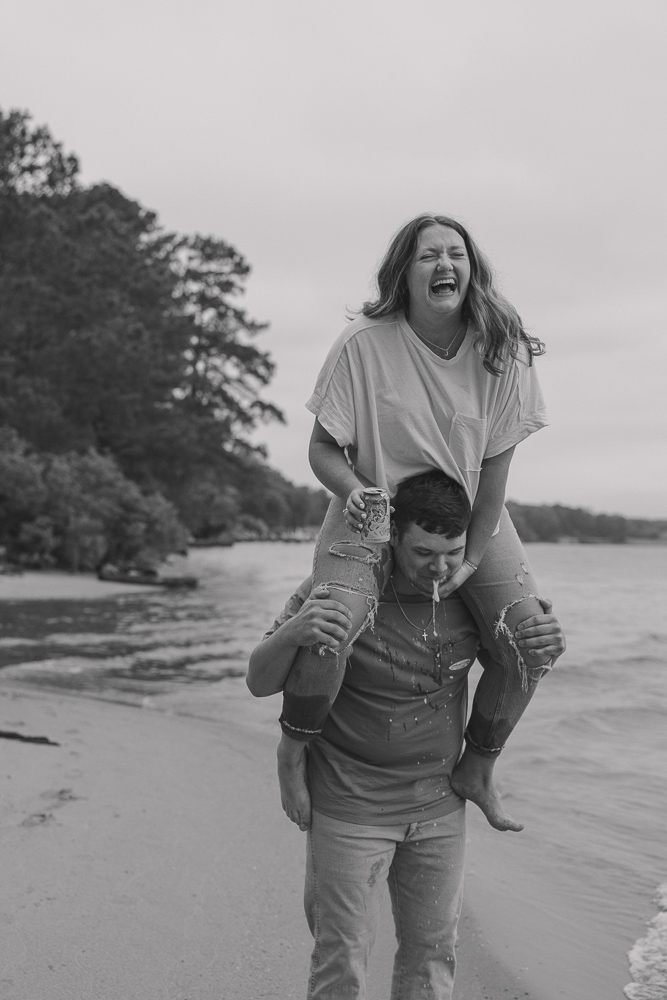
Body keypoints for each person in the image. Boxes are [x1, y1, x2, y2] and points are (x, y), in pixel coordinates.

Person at [277, 213, 560, 835]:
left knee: (529, 640)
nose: (444, 265)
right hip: (372, 509)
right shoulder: (363, 343)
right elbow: (323, 449)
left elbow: (494, 472)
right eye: (428, 255)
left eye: (456, 253)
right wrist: (353, 489)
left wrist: (470, 559)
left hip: (465, 515)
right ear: (403, 273)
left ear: (472, 269)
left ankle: (477, 767)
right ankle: (293, 750)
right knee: (329, 631)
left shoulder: (502, 347)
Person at [247, 471, 565, 1000]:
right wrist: (293, 631)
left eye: (453, 553)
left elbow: (513, 667)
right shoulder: (347, 591)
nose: (439, 570)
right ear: (393, 535)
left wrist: (544, 638)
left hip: (438, 807)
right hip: (350, 806)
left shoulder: (471, 599)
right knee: (341, 957)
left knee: (432, 954)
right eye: (423, 553)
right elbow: (259, 681)